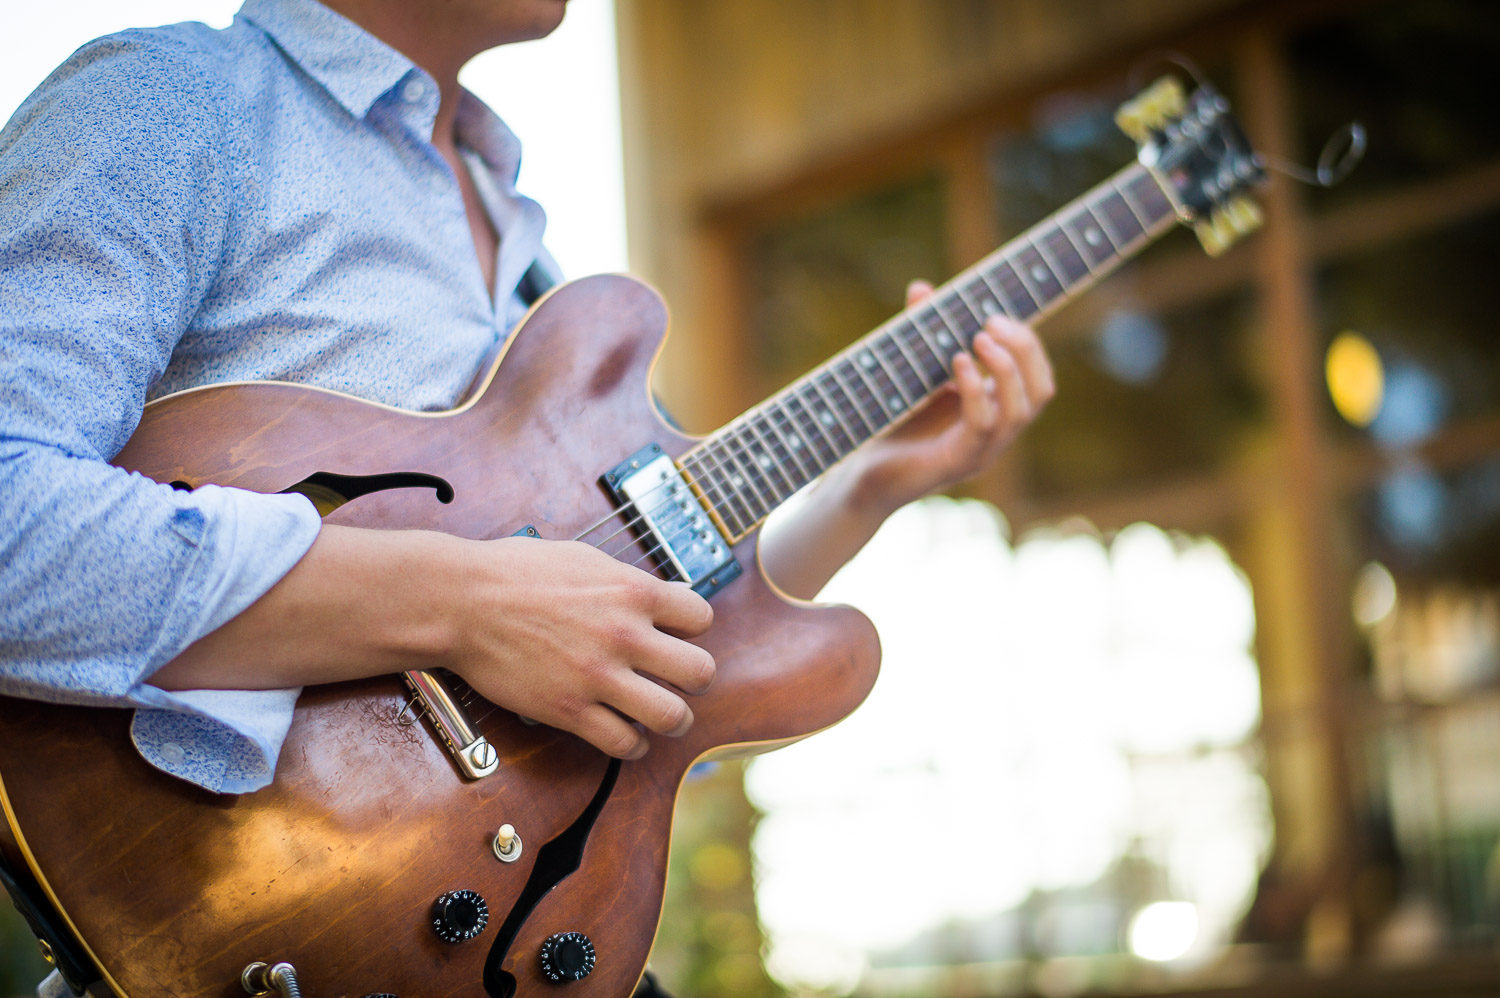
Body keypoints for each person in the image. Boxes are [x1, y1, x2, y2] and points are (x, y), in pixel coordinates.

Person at [0, 0, 1053, 993]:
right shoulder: (174, 102)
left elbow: (655, 608)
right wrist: (465, 602)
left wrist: (878, 480)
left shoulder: (521, 238)